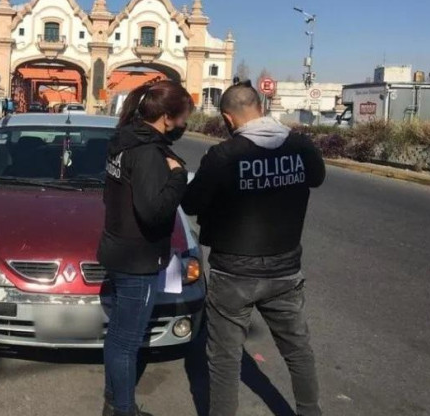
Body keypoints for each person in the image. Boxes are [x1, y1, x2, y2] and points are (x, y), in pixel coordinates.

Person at [181, 79, 326, 416]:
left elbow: (190, 203)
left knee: (224, 358)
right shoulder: (301, 146)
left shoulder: (223, 155)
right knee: (298, 350)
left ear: (228, 119)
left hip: (234, 272)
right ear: (261, 108)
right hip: (285, 269)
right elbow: (316, 178)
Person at [97, 80, 193, 416]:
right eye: (182, 118)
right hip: (137, 258)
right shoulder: (150, 153)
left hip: (117, 249)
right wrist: (179, 176)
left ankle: (113, 401)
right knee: (127, 341)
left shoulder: (123, 140)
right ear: (166, 117)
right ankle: (124, 410)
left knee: (118, 336)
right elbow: (153, 211)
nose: (183, 125)